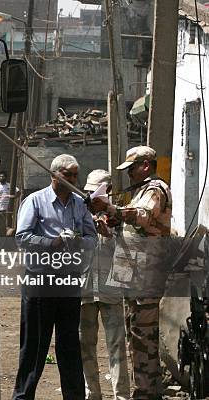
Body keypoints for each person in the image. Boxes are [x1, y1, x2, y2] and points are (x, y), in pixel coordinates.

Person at [13, 154, 98, 400]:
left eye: (75, 175)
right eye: (68, 174)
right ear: (54, 175)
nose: (73, 179)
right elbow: (22, 237)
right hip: (41, 281)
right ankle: (23, 396)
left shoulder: (80, 205)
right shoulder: (36, 202)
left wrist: (79, 241)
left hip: (68, 281)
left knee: (69, 344)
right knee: (35, 345)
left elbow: (92, 238)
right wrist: (52, 242)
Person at [91, 146, 172, 400]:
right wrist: (112, 221)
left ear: (146, 166)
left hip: (145, 275)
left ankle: (147, 392)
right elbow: (132, 223)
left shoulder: (155, 190)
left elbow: (143, 216)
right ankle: (146, 389)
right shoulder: (138, 192)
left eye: (132, 168)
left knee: (144, 335)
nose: (129, 175)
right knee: (136, 333)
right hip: (132, 274)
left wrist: (114, 210)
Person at [80, 169, 130, 400]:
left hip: (111, 290)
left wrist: (109, 235)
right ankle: (93, 394)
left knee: (117, 346)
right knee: (85, 345)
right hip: (85, 290)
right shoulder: (80, 213)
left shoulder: (120, 215)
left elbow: (130, 252)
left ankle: (120, 395)